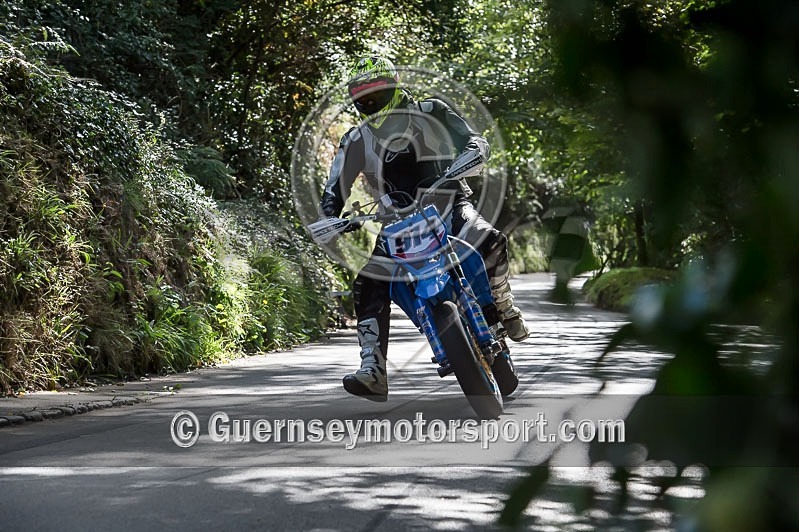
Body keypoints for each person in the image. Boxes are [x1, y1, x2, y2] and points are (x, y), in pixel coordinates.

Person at [318, 56, 529, 401]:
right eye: (364, 101)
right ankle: (372, 368)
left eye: (377, 96)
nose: (371, 105)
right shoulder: (356, 139)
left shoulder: (432, 110)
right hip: (395, 223)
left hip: (449, 205)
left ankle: (503, 307)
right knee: (367, 282)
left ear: (396, 88)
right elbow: (334, 188)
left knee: (489, 239)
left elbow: (471, 139)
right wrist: (330, 217)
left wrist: (474, 150)